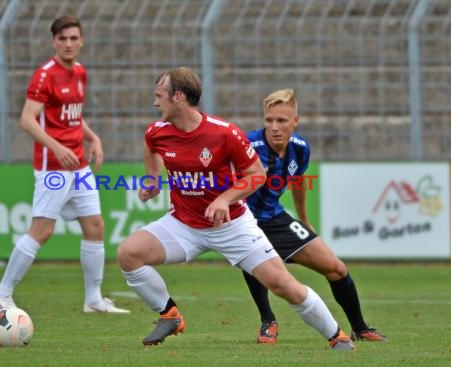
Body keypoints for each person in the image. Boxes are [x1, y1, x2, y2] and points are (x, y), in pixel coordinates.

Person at [116, 66, 355, 349]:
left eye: (159, 96)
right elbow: (151, 146)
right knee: (128, 254)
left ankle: (337, 337)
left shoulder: (224, 133)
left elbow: (257, 174)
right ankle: (169, 314)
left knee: (283, 285)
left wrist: (224, 198)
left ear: (178, 97)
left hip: (233, 226)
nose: (155, 103)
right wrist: (153, 180)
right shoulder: (157, 131)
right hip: (183, 225)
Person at [0, 16, 129, 314]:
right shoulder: (44, 75)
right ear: (54, 41)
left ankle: (93, 299)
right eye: (62, 39)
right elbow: (26, 119)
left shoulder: (79, 72)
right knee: (43, 229)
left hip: (79, 165)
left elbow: (73, 117)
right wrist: (56, 146)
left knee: (95, 226)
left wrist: (94, 138)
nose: (68, 44)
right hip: (53, 166)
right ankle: (2, 293)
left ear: (82, 41)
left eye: (74, 38)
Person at [243, 88, 386, 344]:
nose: (274, 127)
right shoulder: (248, 145)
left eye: (282, 120)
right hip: (243, 221)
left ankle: (360, 328)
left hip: (276, 218)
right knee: (255, 263)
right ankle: (268, 321)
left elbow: (298, 182)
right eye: (269, 120)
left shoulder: (300, 148)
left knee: (336, 268)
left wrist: (304, 219)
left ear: (295, 121)